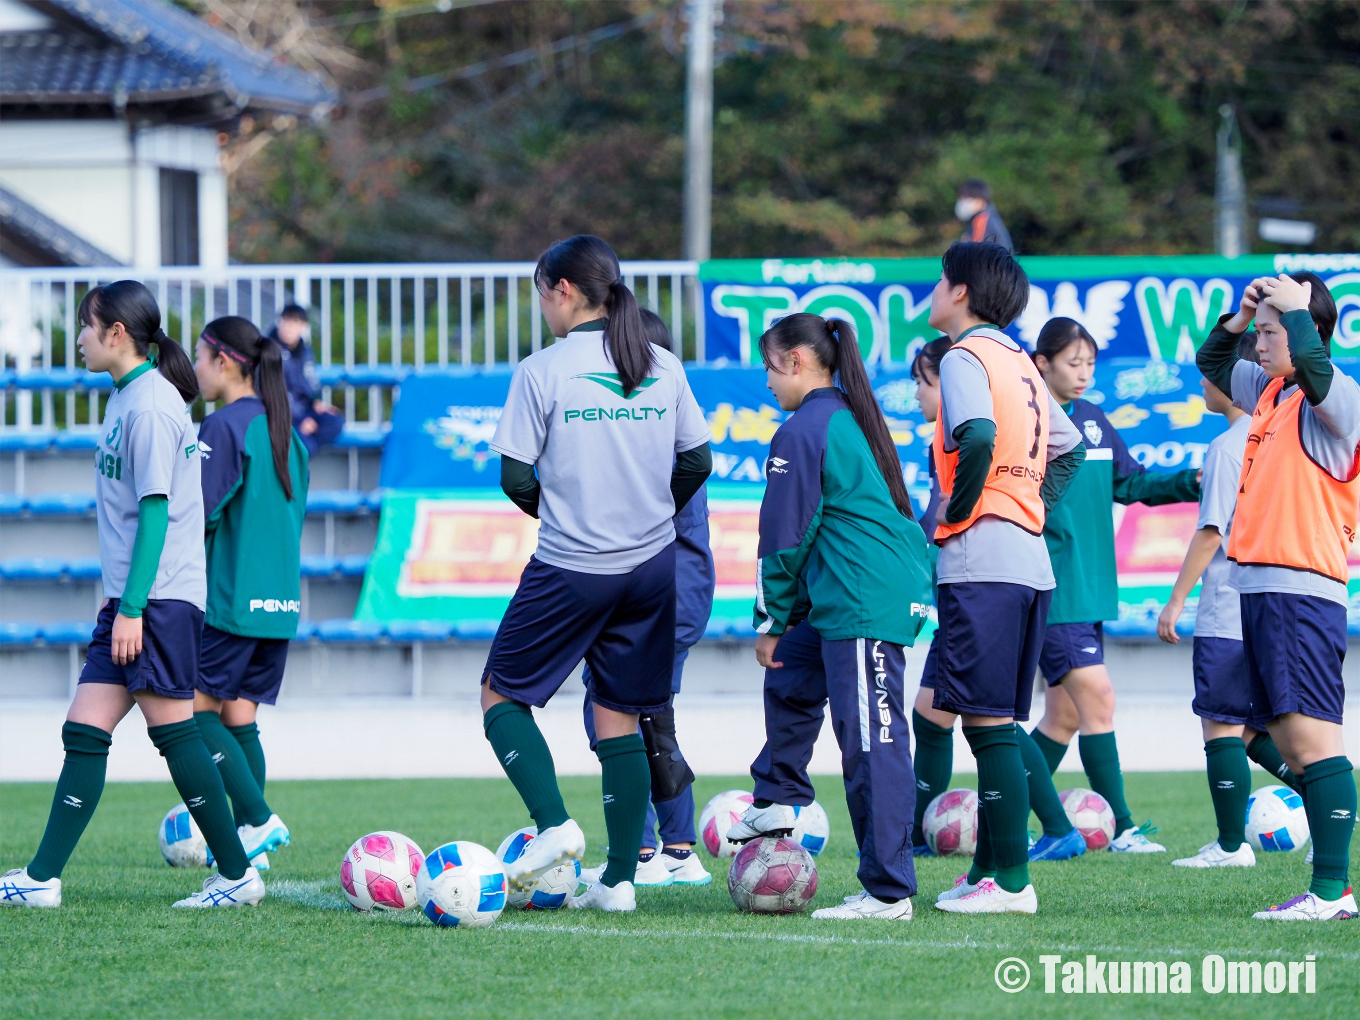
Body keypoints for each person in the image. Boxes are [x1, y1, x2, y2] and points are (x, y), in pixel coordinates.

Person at [0, 282, 262, 910]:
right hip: (131, 599)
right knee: (84, 730)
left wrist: (135, 608)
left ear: (116, 332)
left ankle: (235, 875)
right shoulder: (127, 397)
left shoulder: (148, 406)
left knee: (175, 735)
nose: (80, 340)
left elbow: (156, 515)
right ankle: (41, 878)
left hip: (156, 601)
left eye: (86, 328)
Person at [482, 235, 712, 913]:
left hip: (574, 562)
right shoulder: (662, 363)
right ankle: (617, 882)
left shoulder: (542, 370)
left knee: (501, 697)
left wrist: (567, 511)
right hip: (651, 567)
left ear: (561, 290)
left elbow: (514, 475)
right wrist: (649, 510)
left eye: (540, 294)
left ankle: (553, 826)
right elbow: (697, 462)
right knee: (622, 713)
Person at [725, 312, 932, 921]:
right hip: (848, 592)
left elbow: (784, 537)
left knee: (871, 741)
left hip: (864, 599)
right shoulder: (846, 415)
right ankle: (779, 795)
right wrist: (788, 626)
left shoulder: (804, 428)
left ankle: (888, 890)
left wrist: (768, 621)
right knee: (791, 669)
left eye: (768, 366)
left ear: (796, 360)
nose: (766, 382)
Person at [926, 242, 1085, 915]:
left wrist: (962, 512)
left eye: (938, 281)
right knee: (995, 718)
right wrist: (1034, 502)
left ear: (960, 291)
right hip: (1026, 559)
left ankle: (1011, 882)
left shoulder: (965, 356)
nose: (932, 293)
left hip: (982, 555)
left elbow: (980, 436)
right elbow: (1071, 449)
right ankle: (988, 870)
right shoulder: (1020, 360)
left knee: (987, 725)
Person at [1196, 271, 1357, 921]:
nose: (1259, 345)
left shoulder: (1336, 395)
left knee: (1311, 739)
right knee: (1287, 739)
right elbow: (1211, 362)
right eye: (1258, 333)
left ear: (1308, 331)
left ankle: (1331, 893)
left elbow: (1318, 369)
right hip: (1260, 585)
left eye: (1272, 332)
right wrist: (1240, 317)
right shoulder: (1272, 394)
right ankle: (1329, 890)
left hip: (1299, 586)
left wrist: (1291, 307)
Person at [1025, 317, 1201, 854]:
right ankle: (1122, 828)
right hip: (1054, 588)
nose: (1083, 374)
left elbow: (1129, 482)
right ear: (1041, 364)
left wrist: (1187, 481)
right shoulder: (1026, 425)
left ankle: (1000, 804)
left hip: (1093, 586)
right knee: (1098, 700)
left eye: (1090, 365)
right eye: (1072, 363)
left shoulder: (1096, 421)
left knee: (1066, 715)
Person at [580, 308, 715, 888]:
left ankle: (653, 851)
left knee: (617, 715)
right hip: (671, 594)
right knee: (650, 716)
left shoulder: (652, 427)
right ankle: (675, 850)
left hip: (659, 596)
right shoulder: (667, 421)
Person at [1158, 332, 1298, 868]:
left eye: (1210, 374)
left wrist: (1174, 603)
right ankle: (1331, 802)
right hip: (1273, 604)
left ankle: (1230, 846)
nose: (1202, 383)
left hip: (1226, 605)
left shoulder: (1228, 446)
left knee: (1220, 724)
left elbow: (1211, 532)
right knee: (1254, 727)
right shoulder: (1279, 436)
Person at [191, 316, 309, 872]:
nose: (193, 368)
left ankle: (259, 819)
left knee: (195, 714)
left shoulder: (224, 427)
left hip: (232, 599)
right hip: (280, 602)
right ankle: (249, 845)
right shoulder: (281, 426)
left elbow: (200, 516)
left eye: (198, 356)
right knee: (240, 720)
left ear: (225, 361)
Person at [270, 304, 343, 456]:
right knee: (303, 443)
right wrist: (301, 419)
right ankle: (291, 468)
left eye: (295, 322)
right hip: (282, 414)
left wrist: (317, 403)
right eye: (286, 321)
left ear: (304, 326)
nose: (289, 327)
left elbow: (309, 383)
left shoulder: (305, 351)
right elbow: (275, 394)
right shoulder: (269, 351)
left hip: (304, 410)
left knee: (335, 421)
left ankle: (297, 458)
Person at [955, 179, 1013, 253]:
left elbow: (973, 252)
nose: (963, 202)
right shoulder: (985, 217)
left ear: (981, 200)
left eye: (967, 198)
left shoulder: (982, 219)